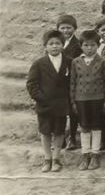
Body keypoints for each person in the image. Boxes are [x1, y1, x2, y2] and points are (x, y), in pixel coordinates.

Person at [26, 30, 72, 172]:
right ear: (45, 46)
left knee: (59, 131)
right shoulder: (39, 63)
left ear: (62, 45)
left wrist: (68, 101)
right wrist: (41, 98)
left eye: (57, 43)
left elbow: (72, 82)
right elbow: (31, 84)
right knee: (45, 131)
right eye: (50, 44)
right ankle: (47, 158)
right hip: (45, 105)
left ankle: (56, 158)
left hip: (61, 104)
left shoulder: (69, 62)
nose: (54, 46)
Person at [69, 29, 105, 170]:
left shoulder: (102, 62)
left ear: (97, 46)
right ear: (81, 46)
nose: (89, 48)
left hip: (98, 99)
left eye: (92, 45)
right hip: (81, 99)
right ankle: (85, 153)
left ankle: (95, 154)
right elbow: (73, 82)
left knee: (97, 126)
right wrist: (73, 101)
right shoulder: (76, 62)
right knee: (85, 126)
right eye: (86, 45)